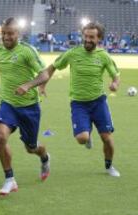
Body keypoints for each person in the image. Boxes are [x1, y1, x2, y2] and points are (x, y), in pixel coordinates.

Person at [16, 22, 120, 177]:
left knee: (107, 139)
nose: (87, 40)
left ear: (99, 38)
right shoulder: (72, 53)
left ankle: (109, 166)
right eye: (85, 36)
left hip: (99, 102)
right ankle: (87, 134)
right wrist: (43, 85)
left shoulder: (104, 56)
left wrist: (114, 84)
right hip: (79, 104)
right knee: (82, 138)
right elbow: (52, 67)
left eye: (91, 37)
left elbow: (115, 75)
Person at [0, 17, 51, 196]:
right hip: (8, 104)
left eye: (11, 34)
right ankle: (9, 179)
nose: (6, 37)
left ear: (18, 34)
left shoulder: (27, 52)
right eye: (4, 34)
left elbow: (44, 74)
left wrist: (28, 85)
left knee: (31, 147)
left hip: (29, 107)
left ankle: (44, 157)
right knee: (0, 136)